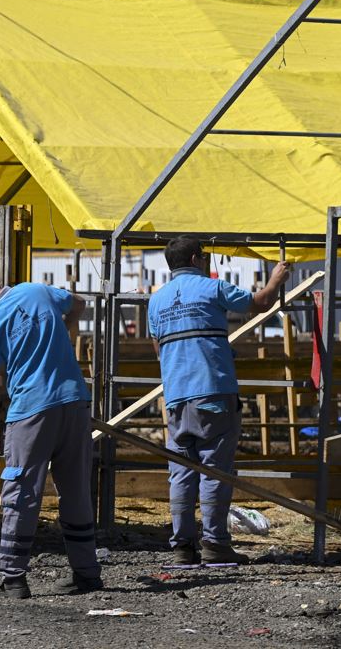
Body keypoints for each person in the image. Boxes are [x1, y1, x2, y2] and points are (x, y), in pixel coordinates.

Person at [146, 236, 290, 566]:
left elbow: (159, 349)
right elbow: (261, 302)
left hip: (176, 396)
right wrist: (277, 278)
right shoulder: (212, 288)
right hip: (212, 392)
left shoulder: (157, 301)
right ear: (197, 258)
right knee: (214, 469)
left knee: (181, 471)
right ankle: (214, 543)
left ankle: (182, 546)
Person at [0, 272, 101, 600]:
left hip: (32, 410)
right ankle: (87, 573)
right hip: (74, 401)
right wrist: (66, 329)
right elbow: (78, 303)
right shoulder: (36, 290)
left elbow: (0, 383)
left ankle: (14, 579)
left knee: (22, 492)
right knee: (77, 490)